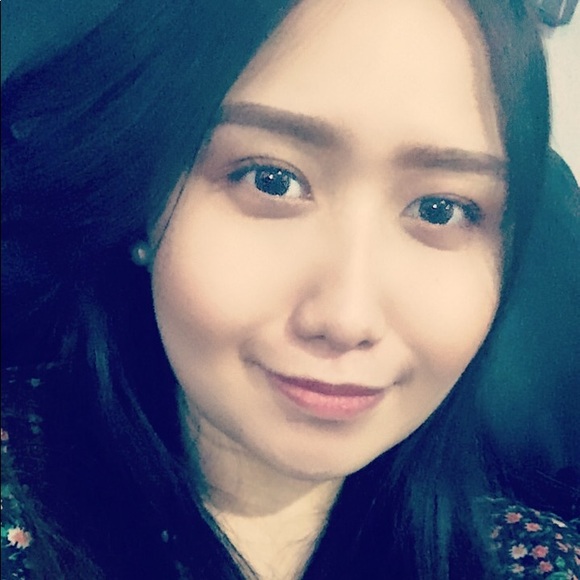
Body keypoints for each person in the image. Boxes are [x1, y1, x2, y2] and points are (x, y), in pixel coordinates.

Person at [2, 0, 579, 578]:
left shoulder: (535, 562)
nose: (347, 318)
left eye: (440, 209)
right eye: (271, 180)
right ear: (144, 200)